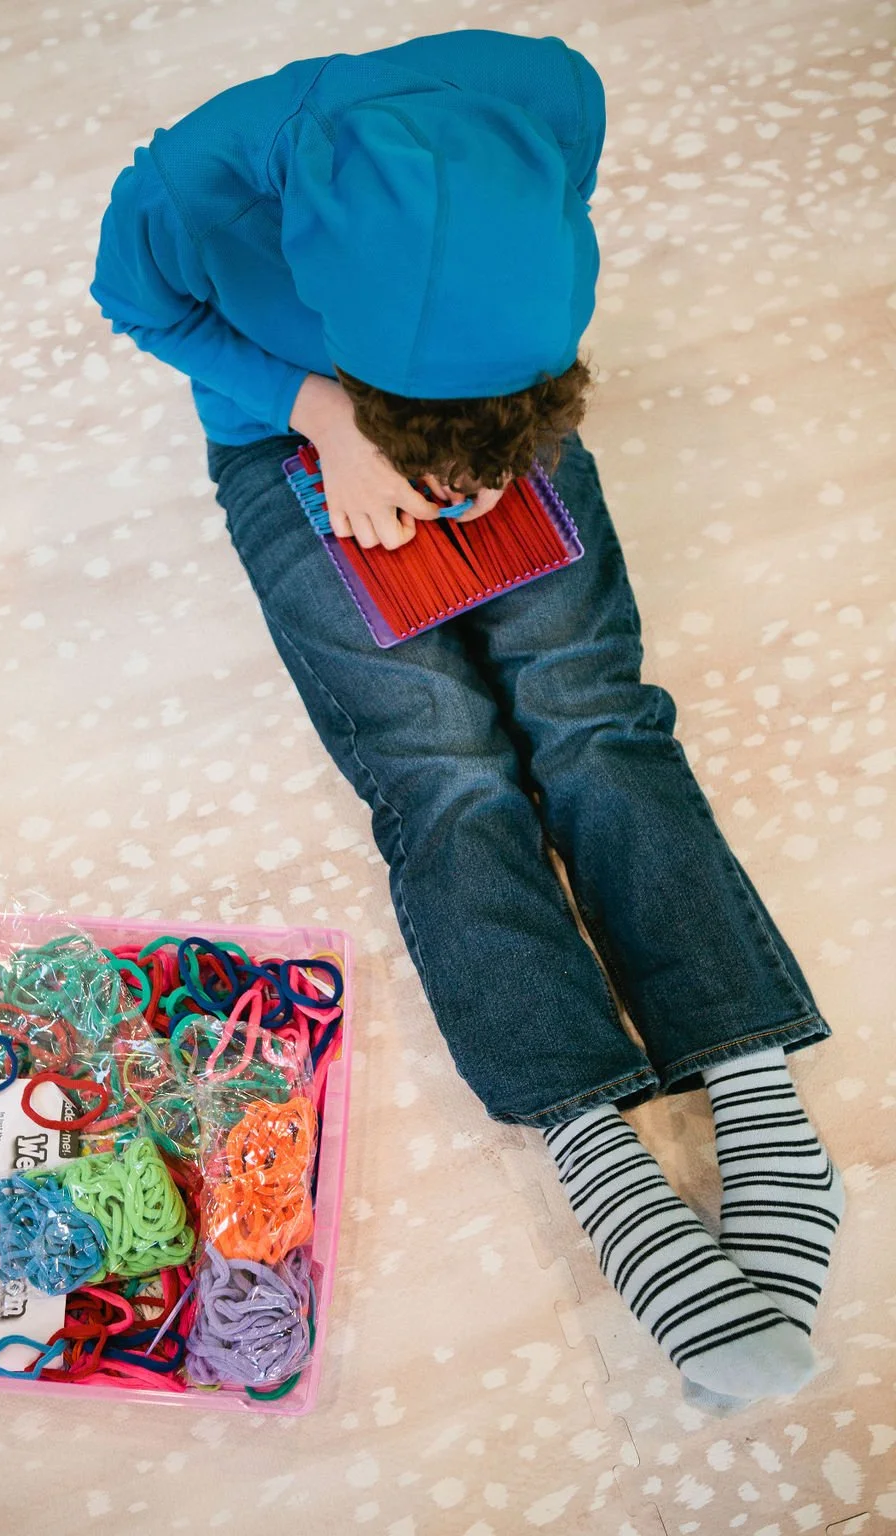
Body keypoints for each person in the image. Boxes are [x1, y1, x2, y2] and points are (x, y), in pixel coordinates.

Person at [91, 29, 843, 1408]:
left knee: (594, 717)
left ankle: (753, 1090)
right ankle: (602, 1156)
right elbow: (137, 304)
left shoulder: (550, 92)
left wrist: (494, 440)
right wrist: (330, 417)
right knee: (443, 772)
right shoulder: (195, 183)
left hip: (483, 402)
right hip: (292, 429)